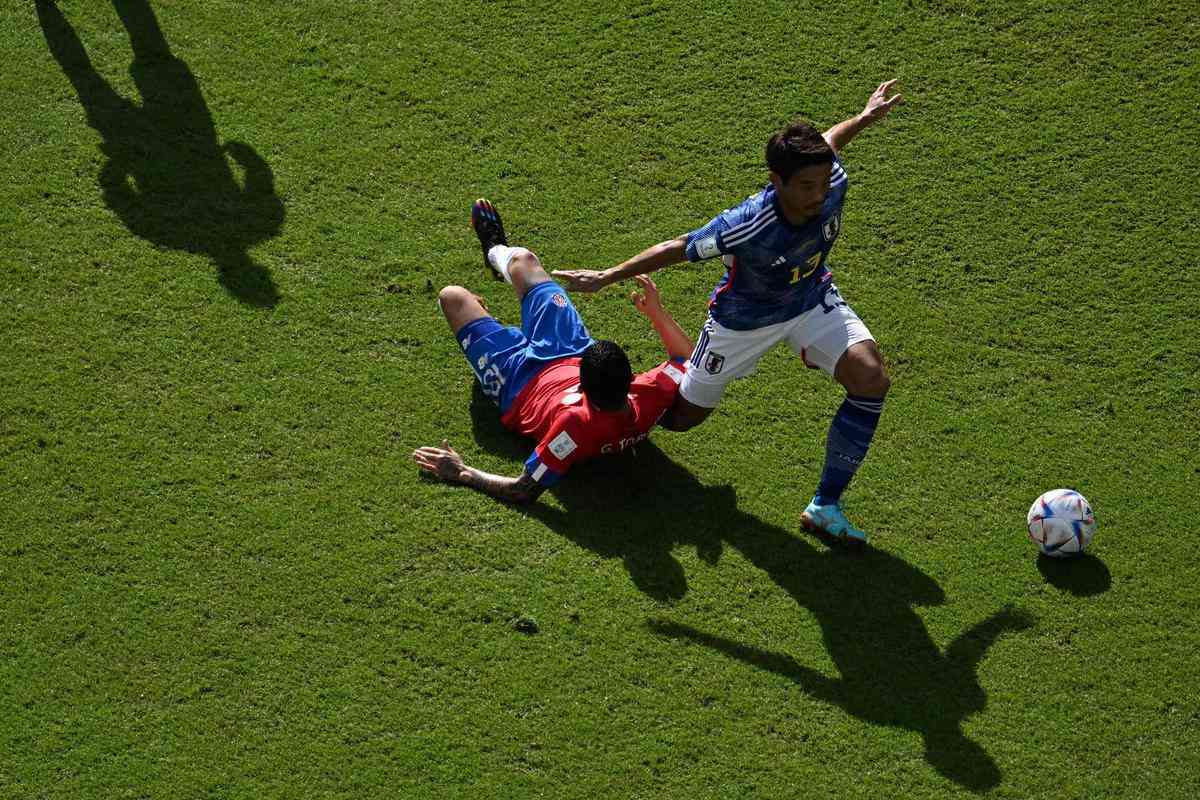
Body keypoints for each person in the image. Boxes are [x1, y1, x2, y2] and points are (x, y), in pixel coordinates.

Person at [552, 81, 903, 545]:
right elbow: (677, 247)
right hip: (741, 323)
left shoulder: (830, 178)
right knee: (682, 418)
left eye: (822, 181)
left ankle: (824, 505)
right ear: (776, 182)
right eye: (805, 185)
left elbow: (832, 143)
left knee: (870, 377)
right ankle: (610, 416)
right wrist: (606, 276)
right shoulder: (748, 223)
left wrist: (863, 116)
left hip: (810, 300)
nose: (819, 193)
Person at [412, 200, 694, 503]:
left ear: (583, 386)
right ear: (631, 380)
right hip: (569, 349)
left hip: (517, 383)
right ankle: (493, 248)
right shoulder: (649, 393)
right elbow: (684, 358)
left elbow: (523, 489)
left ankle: (492, 318)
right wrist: (656, 312)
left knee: (452, 297)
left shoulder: (574, 426)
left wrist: (463, 472)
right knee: (524, 260)